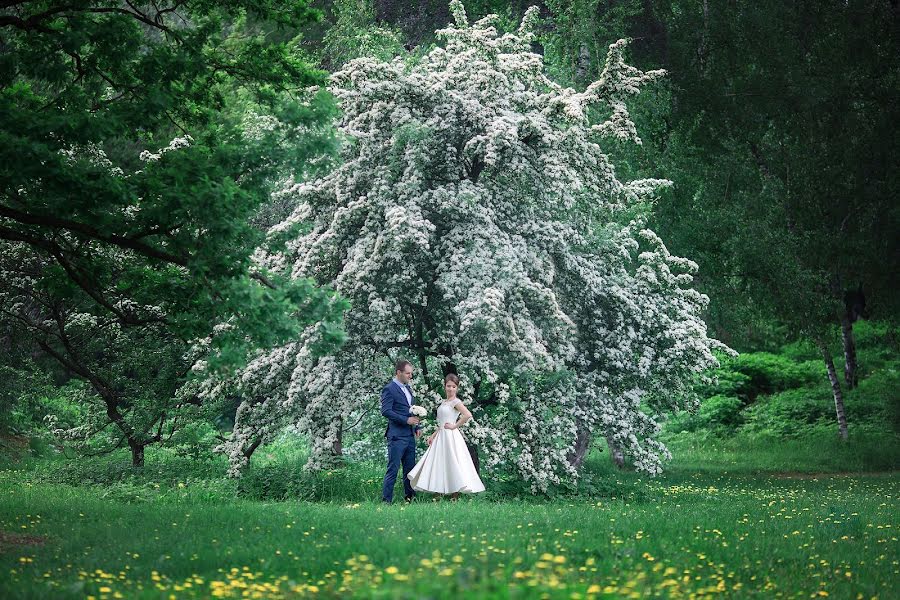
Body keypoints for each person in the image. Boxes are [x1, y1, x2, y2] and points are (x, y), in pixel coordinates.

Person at [407, 373, 485, 498]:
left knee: (453, 463)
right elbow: (442, 423)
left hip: (451, 437)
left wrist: (455, 426)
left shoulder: (456, 402)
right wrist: (433, 435)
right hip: (441, 436)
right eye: (448, 386)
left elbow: (467, 415)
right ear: (445, 387)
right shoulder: (444, 402)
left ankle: (455, 495)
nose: (451, 389)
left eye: (453, 387)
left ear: (457, 388)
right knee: (440, 463)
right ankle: (439, 493)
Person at [381, 359, 422, 503]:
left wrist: (417, 426)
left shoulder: (408, 389)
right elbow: (386, 411)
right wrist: (406, 421)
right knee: (393, 469)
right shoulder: (389, 389)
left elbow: (412, 411)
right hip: (396, 436)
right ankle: (386, 502)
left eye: (411, 373)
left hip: (410, 436)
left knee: (410, 471)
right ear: (399, 373)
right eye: (407, 373)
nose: (410, 376)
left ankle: (410, 500)